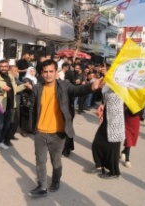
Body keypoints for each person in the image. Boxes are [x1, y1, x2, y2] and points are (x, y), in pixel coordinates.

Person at [28, 59, 103, 198]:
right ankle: (42, 186)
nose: (48, 74)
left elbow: (77, 90)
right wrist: (32, 128)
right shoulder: (37, 88)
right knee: (40, 161)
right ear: (41, 73)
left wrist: (92, 87)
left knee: (55, 161)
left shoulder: (64, 85)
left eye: (51, 71)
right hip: (40, 132)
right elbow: (33, 108)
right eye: (45, 72)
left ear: (56, 72)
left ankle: (56, 180)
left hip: (58, 133)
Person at [0, 60, 30, 154]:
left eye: (5, 66)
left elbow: (15, 90)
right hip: (0, 105)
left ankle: (1, 141)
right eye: (1, 66)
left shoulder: (10, 76)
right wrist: (1, 89)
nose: (4, 68)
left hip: (10, 104)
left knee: (7, 125)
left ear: (8, 67)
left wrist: (24, 86)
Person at [90, 85, 125, 179]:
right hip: (106, 120)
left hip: (116, 124)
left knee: (113, 149)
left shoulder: (123, 89)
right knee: (96, 143)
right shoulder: (108, 87)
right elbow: (105, 99)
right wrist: (103, 105)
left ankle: (114, 173)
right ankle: (99, 165)